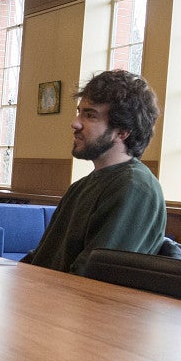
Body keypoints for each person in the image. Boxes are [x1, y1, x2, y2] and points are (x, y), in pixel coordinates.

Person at [23, 69, 167, 275]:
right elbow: (42, 259)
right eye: (79, 111)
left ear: (122, 132)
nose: (75, 122)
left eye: (90, 115)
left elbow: (93, 277)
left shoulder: (135, 187)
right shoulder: (81, 187)